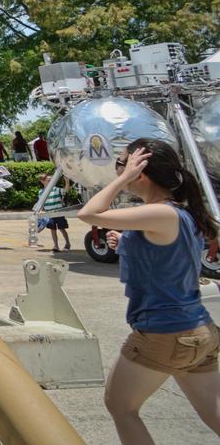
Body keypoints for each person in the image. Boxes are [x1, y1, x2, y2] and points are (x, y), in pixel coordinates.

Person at [77, 138, 220, 442]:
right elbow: (165, 257)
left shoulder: (161, 213)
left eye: (122, 162)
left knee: (120, 407)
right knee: (214, 413)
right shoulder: (178, 213)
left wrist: (123, 178)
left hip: (164, 333)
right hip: (198, 333)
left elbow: (89, 213)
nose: (118, 168)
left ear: (140, 171)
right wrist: (125, 241)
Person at [36, 171, 71, 251]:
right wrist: (41, 210)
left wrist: (67, 182)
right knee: (53, 229)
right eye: (48, 180)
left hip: (58, 212)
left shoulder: (56, 189)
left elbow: (66, 190)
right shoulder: (41, 192)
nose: (50, 181)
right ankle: (56, 246)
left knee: (62, 228)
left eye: (50, 180)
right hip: (49, 213)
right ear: (42, 181)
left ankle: (67, 243)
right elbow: (41, 203)